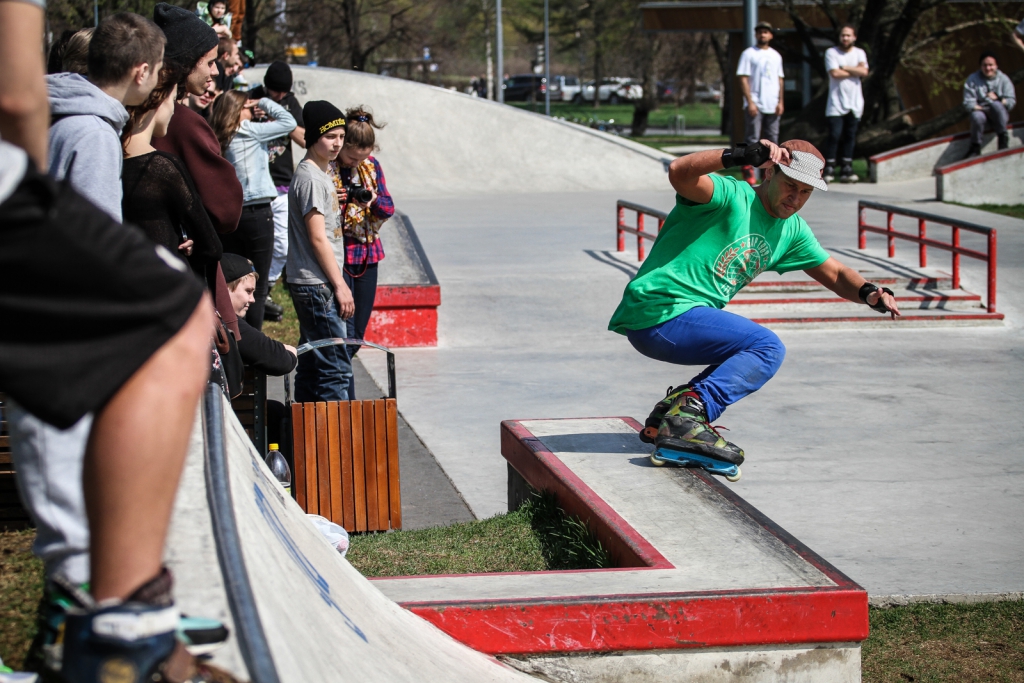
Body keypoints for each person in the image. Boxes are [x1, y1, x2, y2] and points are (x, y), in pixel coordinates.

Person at [0, 1, 238, 680]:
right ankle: (117, 625)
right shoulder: (93, 133)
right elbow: (15, 98)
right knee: (164, 318)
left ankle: (105, 608)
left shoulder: (89, 122)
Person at [608, 139, 900, 470]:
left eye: (806, 193)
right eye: (791, 185)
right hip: (660, 310)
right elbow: (679, 172)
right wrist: (736, 155)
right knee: (766, 347)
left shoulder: (792, 231)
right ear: (770, 172)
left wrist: (869, 292)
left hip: (675, 322)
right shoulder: (731, 196)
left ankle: (671, 413)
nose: (796, 199)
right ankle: (688, 417)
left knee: (746, 353)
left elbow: (834, 273)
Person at [7, 10, 165, 625]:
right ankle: (80, 620)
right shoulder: (95, 135)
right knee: (74, 507)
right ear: (143, 71)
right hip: (67, 331)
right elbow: (99, 243)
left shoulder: (56, 112)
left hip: (34, 311)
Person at [47, 12, 164, 221]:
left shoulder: (64, 108)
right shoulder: (96, 135)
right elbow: (97, 235)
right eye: (158, 69)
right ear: (142, 72)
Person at [287, 101, 356, 402]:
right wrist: (340, 286)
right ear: (313, 137)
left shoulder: (317, 174)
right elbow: (317, 238)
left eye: (341, 136)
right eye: (330, 137)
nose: (337, 143)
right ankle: (334, 447)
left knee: (314, 365)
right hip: (318, 284)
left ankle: (304, 440)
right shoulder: (313, 179)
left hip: (309, 282)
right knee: (335, 370)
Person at [211, 89, 296, 330]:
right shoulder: (249, 131)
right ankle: (254, 347)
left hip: (230, 216)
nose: (253, 111)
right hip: (258, 212)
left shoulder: (218, 136)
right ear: (238, 111)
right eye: (248, 108)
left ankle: (232, 334)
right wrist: (265, 101)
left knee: (232, 281)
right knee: (255, 285)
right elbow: (288, 122)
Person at [122, 81, 222, 273]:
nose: (175, 110)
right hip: (164, 283)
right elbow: (211, 246)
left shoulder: (108, 154)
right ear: (157, 102)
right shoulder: (162, 167)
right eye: (174, 100)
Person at [328, 106, 394, 362]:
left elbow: (388, 209)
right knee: (345, 330)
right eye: (352, 158)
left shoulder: (371, 167)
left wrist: (373, 200)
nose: (356, 164)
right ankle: (345, 393)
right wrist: (336, 199)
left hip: (367, 255)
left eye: (362, 158)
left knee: (357, 333)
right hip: (339, 256)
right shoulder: (329, 167)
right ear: (341, 143)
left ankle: (345, 390)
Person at [248, 61, 306, 318]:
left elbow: (306, 139)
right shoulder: (253, 97)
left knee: (282, 244)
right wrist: (252, 115)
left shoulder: (291, 103)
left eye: (282, 93)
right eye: (274, 92)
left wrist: (285, 122)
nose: (278, 97)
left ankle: (266, 288)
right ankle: (251, 292)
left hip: (281, 182)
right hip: (255, 182)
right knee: (256, 242)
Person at [222, 253, 298, 375]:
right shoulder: (223, 321)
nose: (252, 300)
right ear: (224, 288)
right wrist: (290, 352)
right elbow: (279, 360)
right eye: (248, 291)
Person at [736, 21, 784, 182]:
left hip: (772, 103)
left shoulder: (776, 55)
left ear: (770, 35)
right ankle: (749, 171)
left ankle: (769, 173)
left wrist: (780, 101)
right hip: (756, 102)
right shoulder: (749, 54)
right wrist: (750, 101)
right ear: (756, 34)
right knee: (752, 138)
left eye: (766, 32)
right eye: (760, 32)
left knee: (773, 140)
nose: (763, 35)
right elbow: (743, 78)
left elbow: (780, 80)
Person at [823, 24, 868, 183]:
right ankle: (829, 168)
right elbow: (834, 73)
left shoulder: (859, 53)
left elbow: (864, 72)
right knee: (834, 135)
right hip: (836, 103)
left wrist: (845, 67)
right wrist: (854, 70)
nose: (845, 38)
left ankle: (846, 168)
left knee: (850, 136)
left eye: (848, 35)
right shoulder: (831, 52)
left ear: (854, 37)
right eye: (843, 35)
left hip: (854, 103)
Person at [963, 52, 1016, 158]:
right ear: (980, 66)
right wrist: (977, 107)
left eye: (991, 65)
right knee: (976, 116)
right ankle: (975, 147)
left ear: (996, 66)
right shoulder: (973, 79)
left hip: (999, 115)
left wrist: (999, 99)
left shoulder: (1004, 79)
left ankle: (1003, 139)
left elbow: (1011, 101)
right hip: (982, 112)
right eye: (984, 65)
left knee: (995, 105)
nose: (988, 68)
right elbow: (968, 102)